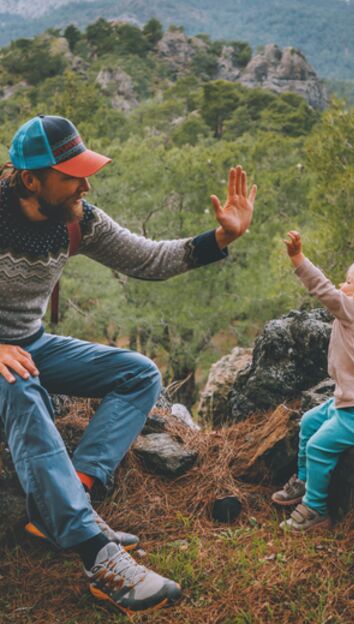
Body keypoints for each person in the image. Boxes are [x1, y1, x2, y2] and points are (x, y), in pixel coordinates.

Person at [0, 114, 257, 616]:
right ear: (31, 179)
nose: (87, 183)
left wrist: (221, 238)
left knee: (138, 372)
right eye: (72, 174)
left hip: (30, 342)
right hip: (7, 361)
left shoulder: (76, 219)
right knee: (22, 385)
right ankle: (98, 556)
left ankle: (72, 496)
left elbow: (149, 259)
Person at [272, 230, 354, 533]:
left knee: (318, 446)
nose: (343, 286)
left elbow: (322, 288)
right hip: (352, 403)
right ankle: (304, 480)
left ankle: (316, 509)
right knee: (309, 422)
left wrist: (298, 259)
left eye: (349, 282)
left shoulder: (353, 312)